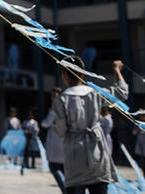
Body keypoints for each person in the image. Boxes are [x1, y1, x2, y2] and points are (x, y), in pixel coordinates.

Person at [52, 57, 128, 194]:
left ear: (64, 75)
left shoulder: (61, 99)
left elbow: (61, 130)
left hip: (75, 156)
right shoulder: (95, 93)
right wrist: (117, 70)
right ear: (83, 73)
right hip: (97, 151)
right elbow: (122, 93)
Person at [41, 87, 66, 193]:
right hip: (65, 141)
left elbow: (46, 123)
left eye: (54, 96)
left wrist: (43, 123)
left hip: (56, 142)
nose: (52, 98)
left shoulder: (54, 109)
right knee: (64, 169)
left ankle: (66, 190)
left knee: (54, 167)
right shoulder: (67, 107)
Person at [21, 109, 40, 174]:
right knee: (27, 152)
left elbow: (37, 129)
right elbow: (22, 129)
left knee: (33, 153)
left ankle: (33, 164)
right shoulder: (25, 122)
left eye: (31, 115)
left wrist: (36, 130)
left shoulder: (35, 122)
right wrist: (26, 132)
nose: (30, 116)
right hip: (26, 139)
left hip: (33, 139)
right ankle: (26, 164)